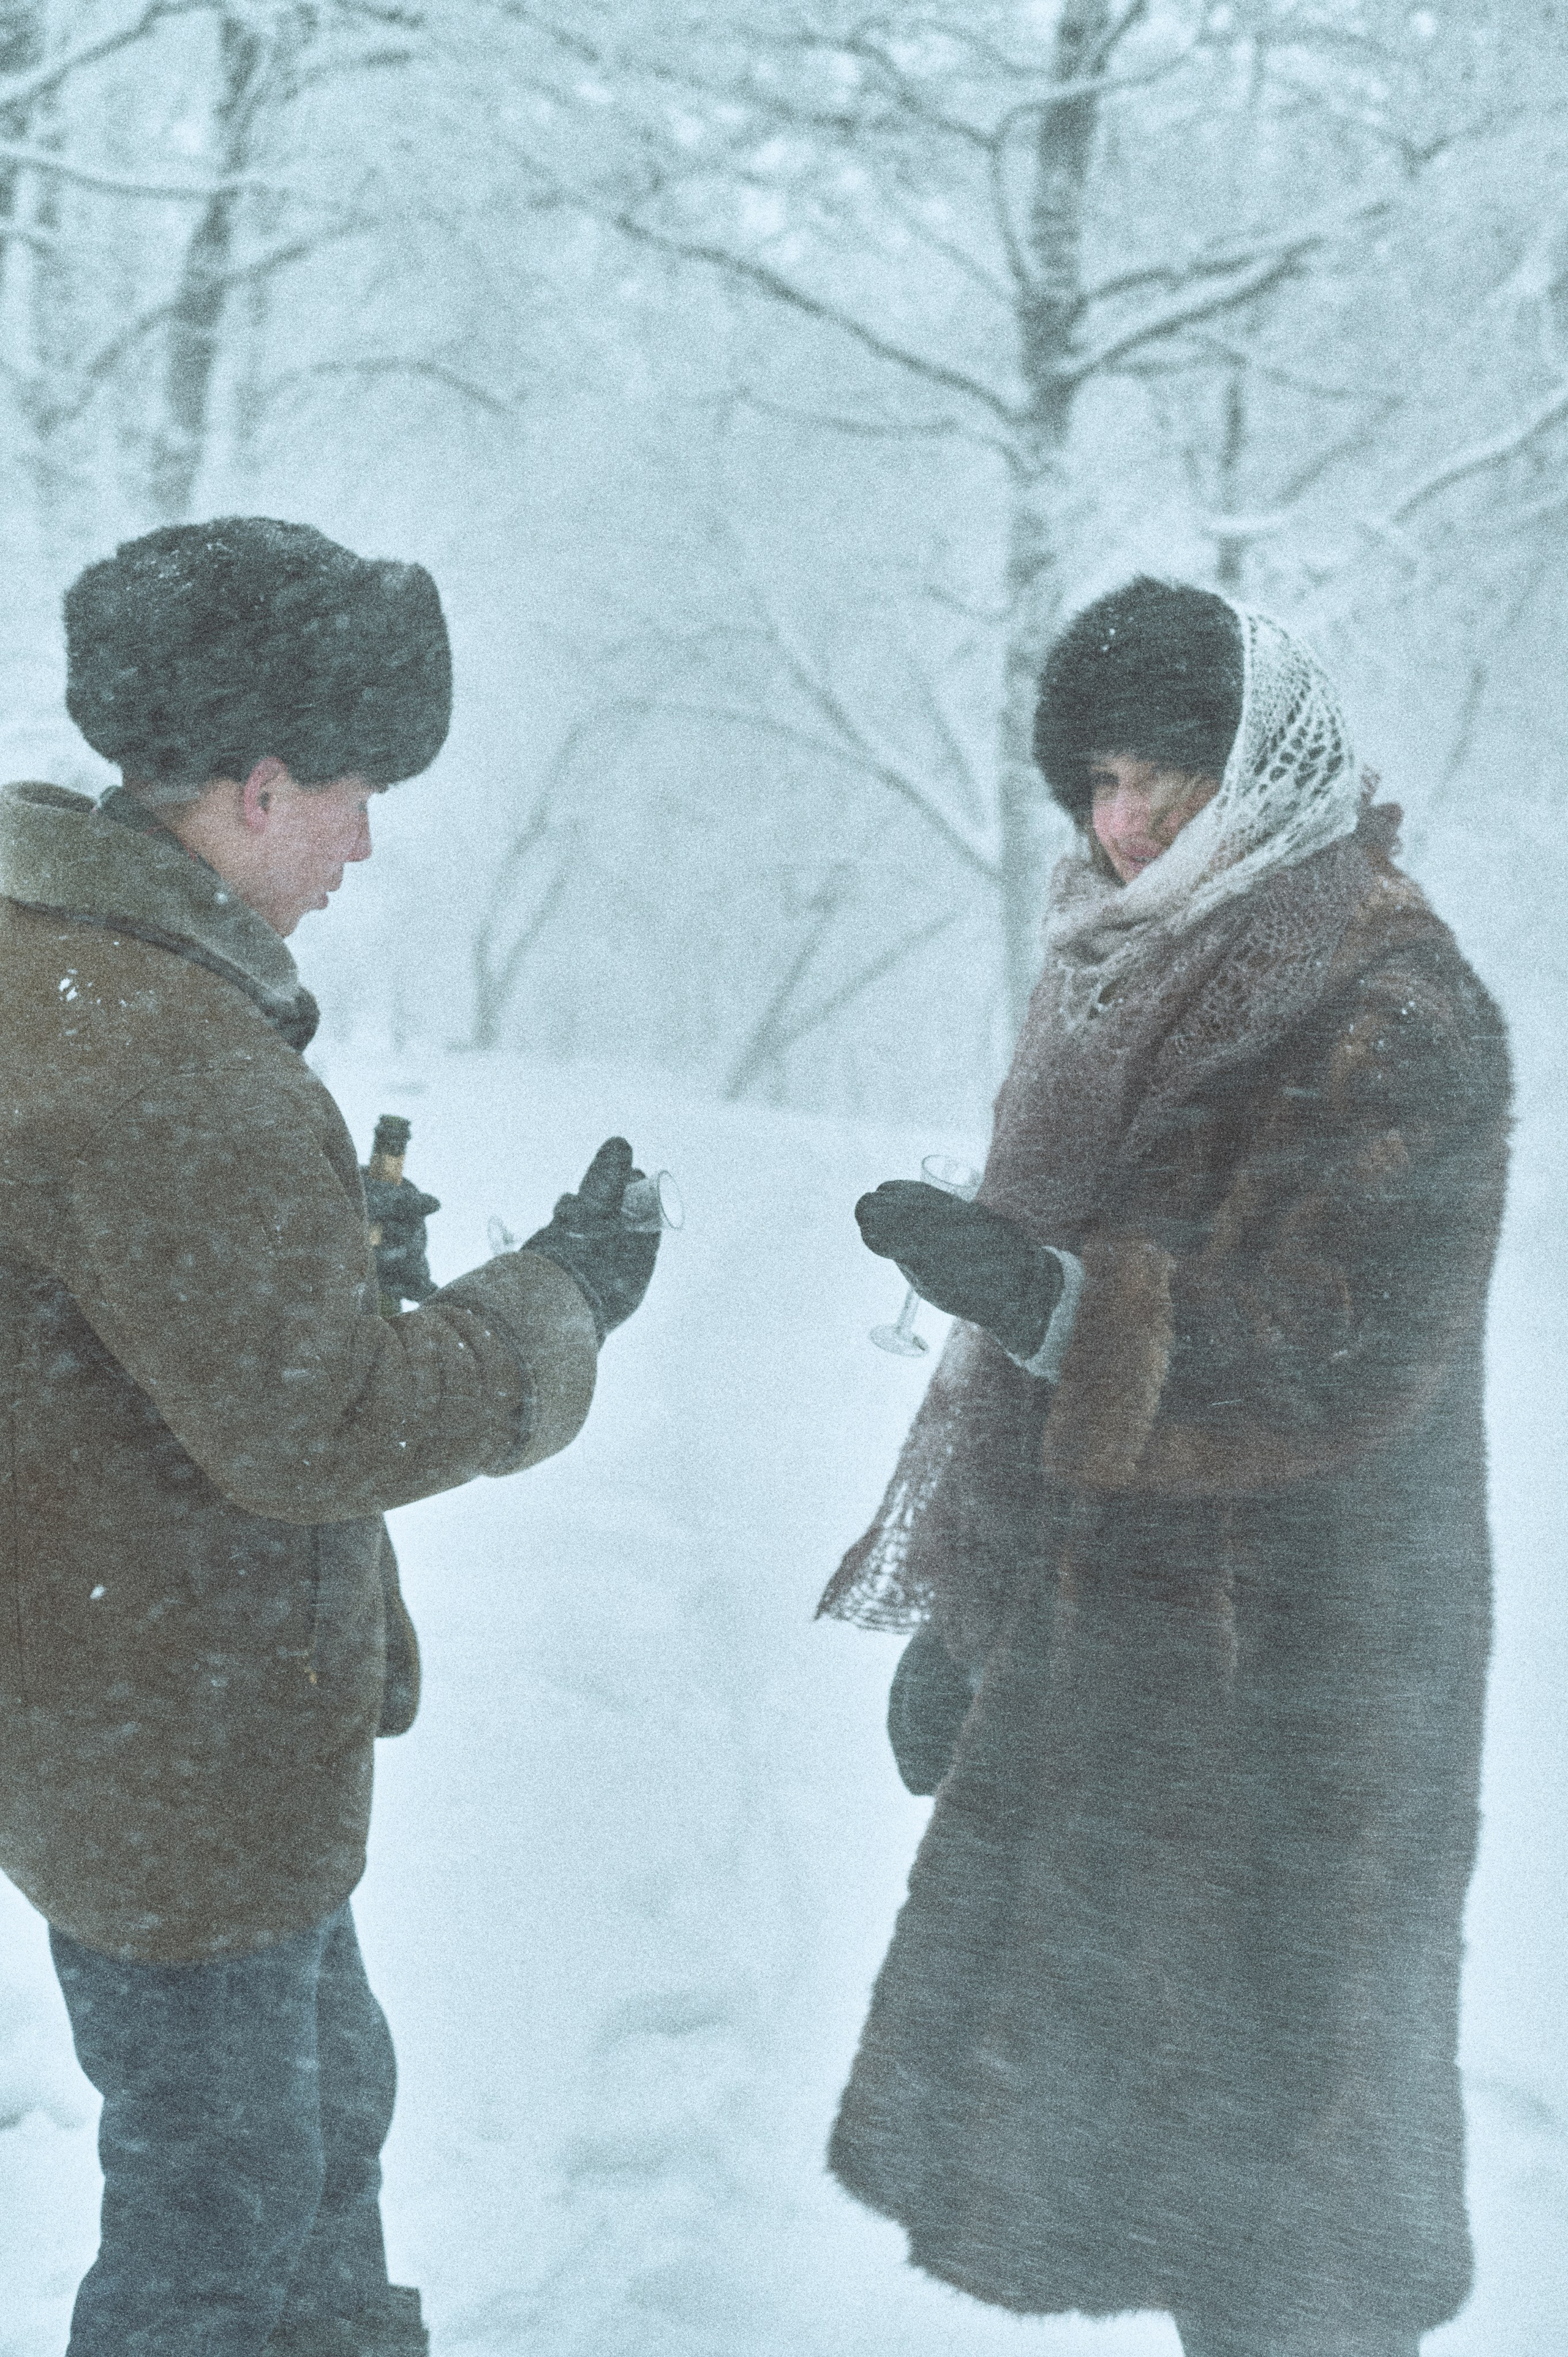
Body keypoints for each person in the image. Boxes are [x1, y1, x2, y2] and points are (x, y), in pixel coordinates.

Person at [821, 577, 1511, 2357]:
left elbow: (1332, 1347)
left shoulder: (1394, 1001)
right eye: (1097, 784)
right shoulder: (1130, 976)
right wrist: (971, 1628)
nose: (1122, 826)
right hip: (1130, 1678)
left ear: (1267, 772)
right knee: (1170, 2173)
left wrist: (1059, 1303)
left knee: (1291, 2232)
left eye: (1167, 782)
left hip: (1311, 1703)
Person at [0, 518, 660, 2357]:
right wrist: (559, 1303)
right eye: (356, 794)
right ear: (261, 783)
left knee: (310, 2135)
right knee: (218, 2222)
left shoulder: (58, 964)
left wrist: (323, 1265)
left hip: (125, 1712)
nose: (368, 842)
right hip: (179, 1751)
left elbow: (124, 1332)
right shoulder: (160, 1045)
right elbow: (318, 1426)